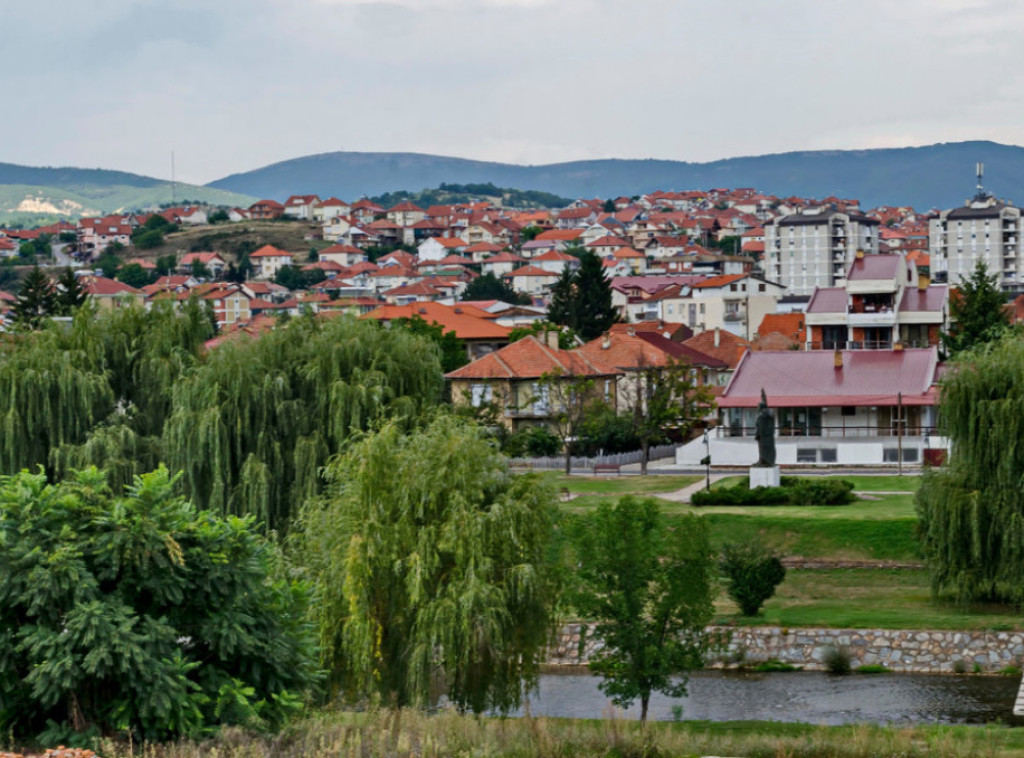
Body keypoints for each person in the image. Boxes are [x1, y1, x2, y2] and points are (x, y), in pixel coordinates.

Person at [754, 388, 776, 466]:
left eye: (758, 407)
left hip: (763, 436)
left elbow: (760, 427)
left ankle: (764, 461)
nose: (757, 408)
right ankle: (763, 460)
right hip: (766, 437)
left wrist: (757, 434)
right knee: (764, 449)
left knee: (763, 449)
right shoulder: (768, 415)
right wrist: (764, 398)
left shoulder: (762, 416)